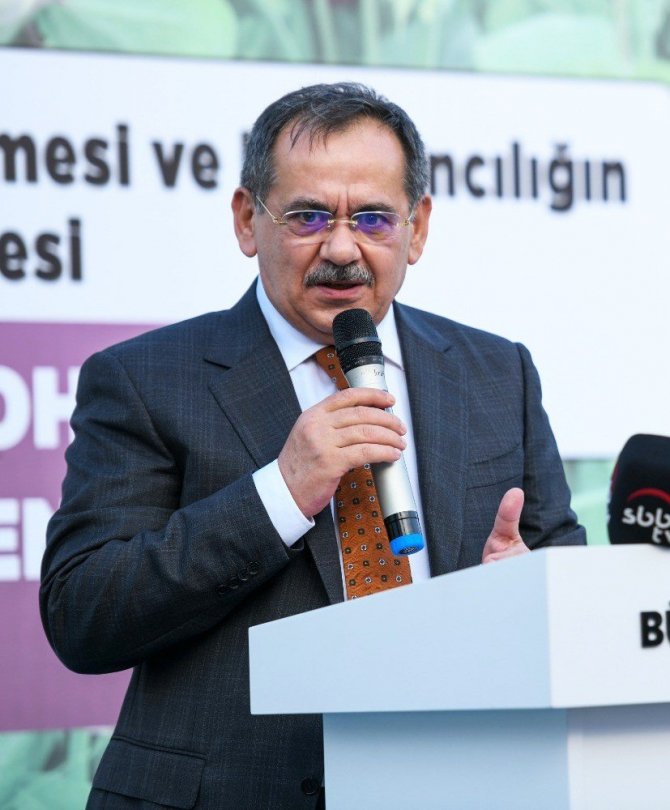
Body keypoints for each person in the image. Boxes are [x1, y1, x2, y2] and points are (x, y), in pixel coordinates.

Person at [40, 82, 585, 810]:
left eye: (373, 218)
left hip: (455, 782)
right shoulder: (145, 380)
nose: (341, 249)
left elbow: (567, 586)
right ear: (247, 220)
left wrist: (526, 596)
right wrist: (280, 494)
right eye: (307, 217)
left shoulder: (495, 372)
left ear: (418, 228)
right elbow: (83, 614)